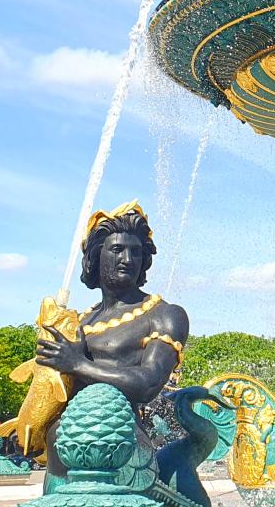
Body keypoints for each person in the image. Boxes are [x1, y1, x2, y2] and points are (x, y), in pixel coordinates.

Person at [34, 201, 189, 488]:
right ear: (96, 255)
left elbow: (149, 383)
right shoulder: (79, 321)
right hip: (61, 459)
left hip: (121, 455)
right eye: (117, 249)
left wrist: (78, 364)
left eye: (136, 252)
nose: (128, 259)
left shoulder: (163, 314)